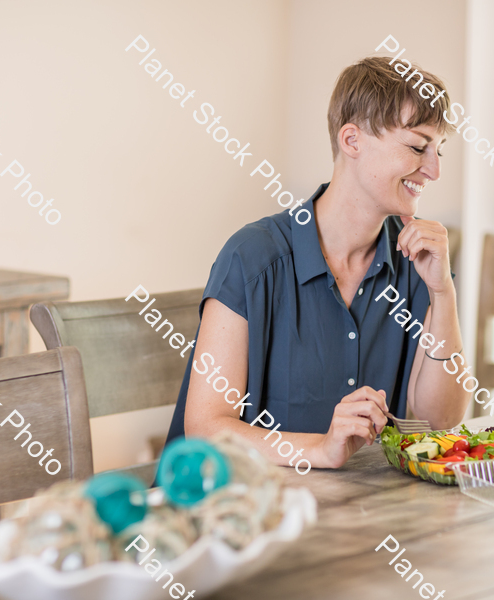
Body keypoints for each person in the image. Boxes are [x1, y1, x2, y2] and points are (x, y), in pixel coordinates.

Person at [162, 56, 468, 471]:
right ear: (352, 140)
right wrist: (319, 451)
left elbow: (438, 422)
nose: (432, 170)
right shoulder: (252, 257)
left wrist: (442, 293)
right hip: (237, 514)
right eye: (417, 147)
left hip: (353, 516)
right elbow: (205, 427)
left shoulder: (414, 260)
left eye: (438, 151)